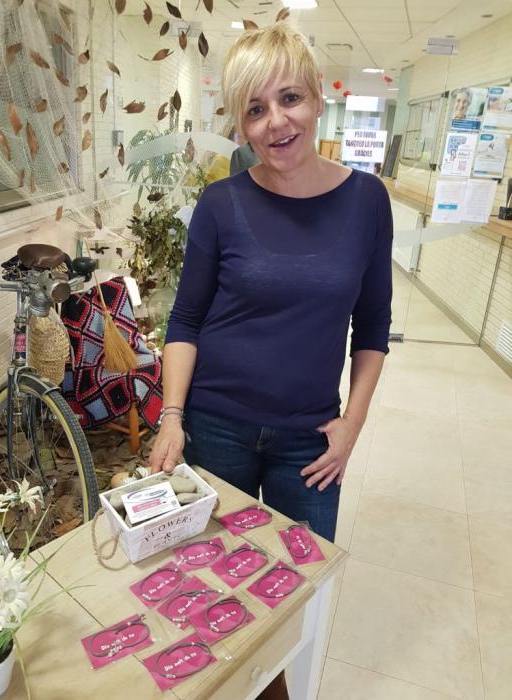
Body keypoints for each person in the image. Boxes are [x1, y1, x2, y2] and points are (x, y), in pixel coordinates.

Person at [149, 21, 391, 557]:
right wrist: (172, 417)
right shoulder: (221, 204)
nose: (276, 122)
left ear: (318, 97)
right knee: (208, 574)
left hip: (310, 439)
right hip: (215, 427)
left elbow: (373, 326)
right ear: (242, 125)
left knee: (299, 580)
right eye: (256, 109)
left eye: (290, 98)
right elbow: (186, 321)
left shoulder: (367, 201)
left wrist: (352, 424)